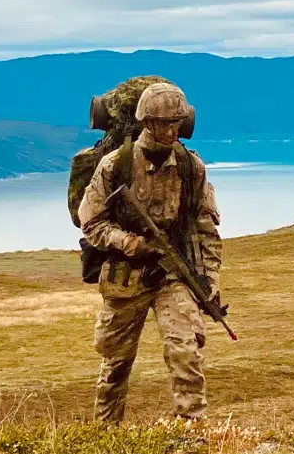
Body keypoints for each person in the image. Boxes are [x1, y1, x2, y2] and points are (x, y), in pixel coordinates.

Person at [77, 82, 223, 423]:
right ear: (147, 122)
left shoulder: (192, 167)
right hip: (126, 275)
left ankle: (192, 433)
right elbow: (92, 223)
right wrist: (132, 244)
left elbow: (207, 231)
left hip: (173, 274)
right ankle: (105, 434)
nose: (171, 130)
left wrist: (209, 281)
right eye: (163, 123)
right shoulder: (116, 165)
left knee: (185, 350)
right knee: (116, 362)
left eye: (177, 122)